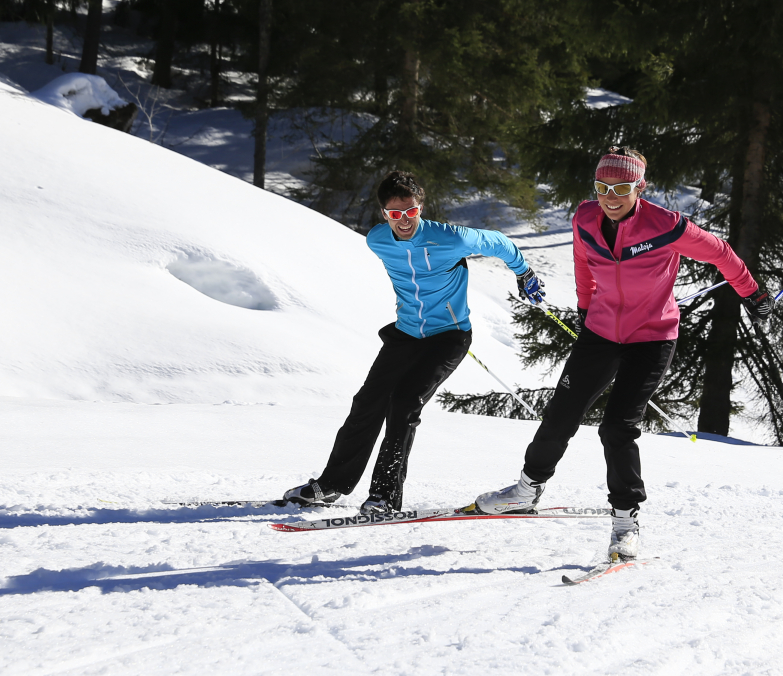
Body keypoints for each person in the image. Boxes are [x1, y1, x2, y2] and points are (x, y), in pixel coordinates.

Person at [475, 146, 774, 559]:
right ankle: (526, 490)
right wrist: (585, 306)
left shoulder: (666, 225)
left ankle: (625, 522)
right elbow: (583, 262)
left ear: (640, 187)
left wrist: (752, 293)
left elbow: (721, 253)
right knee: (562, 411)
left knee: (617, 427)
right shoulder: (584, 218)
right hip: (600, 331)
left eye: (620, 187)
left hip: (652, 338)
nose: (610, 196)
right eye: (602, 187)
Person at [284, 170, 546, 513]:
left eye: (411, 212)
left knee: (404, 404)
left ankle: (384, 497)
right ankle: (331, 485)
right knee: (367, 403)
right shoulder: (377, 240)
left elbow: (498, 241)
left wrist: (523, 272)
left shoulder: (450, 238)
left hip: (449, 336)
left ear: (420, 207)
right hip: (405, 334)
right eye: (395, 214)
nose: (404, 221)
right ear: (384, 215)